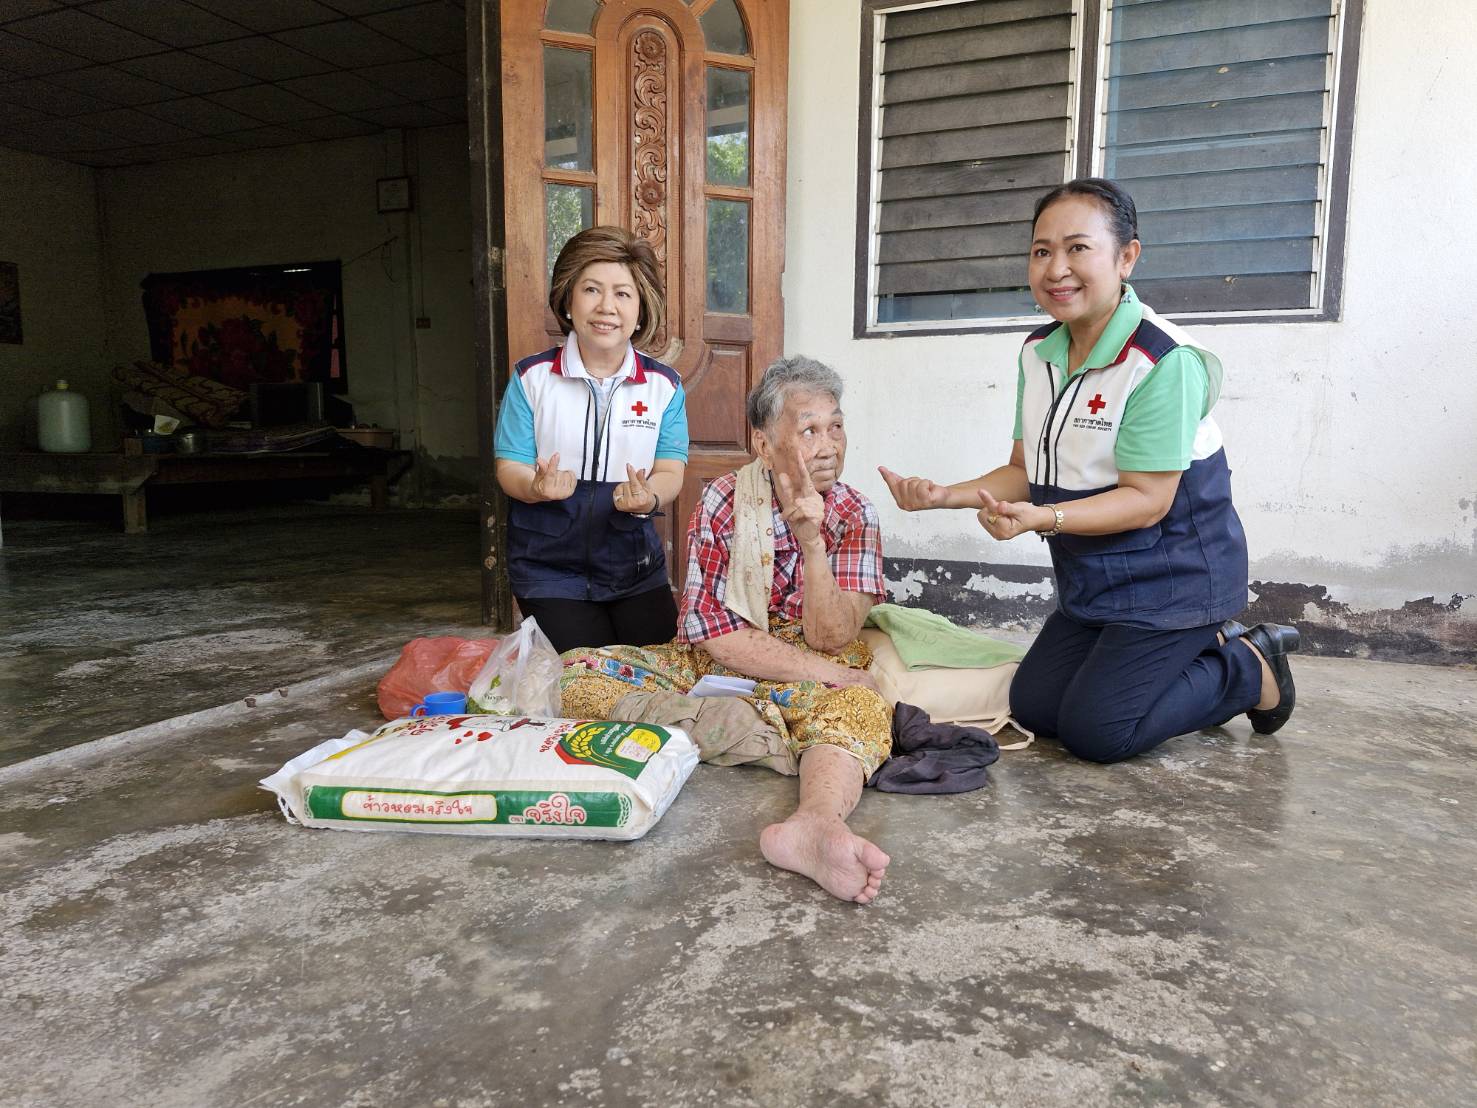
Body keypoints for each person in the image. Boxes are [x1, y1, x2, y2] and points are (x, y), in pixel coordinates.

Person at [879, 177, 1297, 764]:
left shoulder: (1162, 362)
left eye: (1078, 248)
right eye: (1041, 251)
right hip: (1094, 580)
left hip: (1174, 578)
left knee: (1099, 732)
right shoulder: (1038, 352)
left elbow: (1148, 500)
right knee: (1036, 706)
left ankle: (1249, 668)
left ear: (1126, 257)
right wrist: (946, 495)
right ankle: (1191, 656)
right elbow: (1024, 469)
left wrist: (1042, 518)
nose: (1056, 269)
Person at [559, 356, 893, 904]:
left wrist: (813, 544)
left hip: (814, 660)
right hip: (725, 657)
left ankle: (814, 824)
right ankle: (778, 733)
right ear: (764, 444)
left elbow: (832, 639)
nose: (829, 445)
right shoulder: (723, 499)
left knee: (861, 705)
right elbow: (715, 634)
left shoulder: (856, 512)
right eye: (809, 430)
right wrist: (820, 676)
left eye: (836, 426)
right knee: (579, 673)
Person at [494, 226, 688, 653]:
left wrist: (650, 496)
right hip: (547, 567)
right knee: (587, 674)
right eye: (591, 290)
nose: (606, 307)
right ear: (568, 300)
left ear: (641, 309)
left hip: (633, 565)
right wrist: (535, 486)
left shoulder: (665, 386)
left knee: (659, 668)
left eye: (623, 294)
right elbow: (509, 467)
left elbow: (671, 470)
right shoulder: (531, 378)